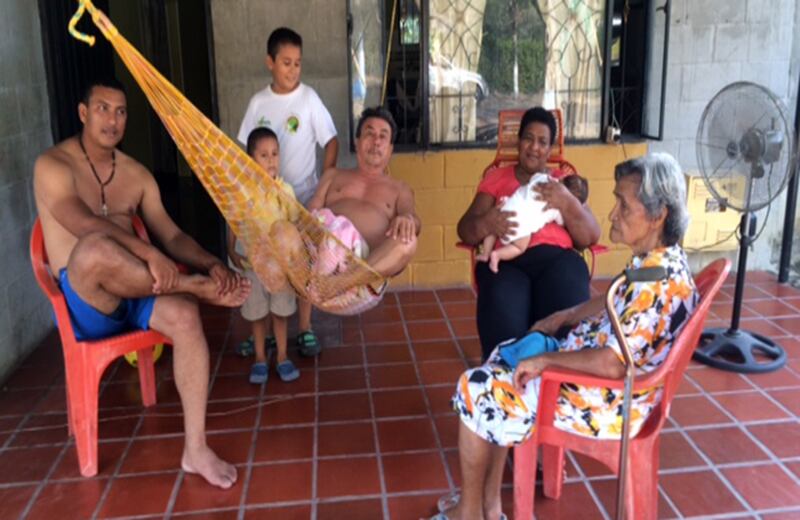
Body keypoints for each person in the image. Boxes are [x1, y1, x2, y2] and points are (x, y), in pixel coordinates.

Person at [434, 152, 697, 520]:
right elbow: (615, 300)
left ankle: (469, 513)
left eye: (623, 205)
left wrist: (545, 361)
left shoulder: (656, 286)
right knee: (503, 357)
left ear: (658, 215)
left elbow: (611, 364)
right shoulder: (661, 264)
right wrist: (567, 315)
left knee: (474, 386)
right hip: (615, 383)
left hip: (607, 399)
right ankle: (489, 508)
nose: (612, 214)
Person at [33, 77, 250, 489]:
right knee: (92, 249)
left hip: (139, 294)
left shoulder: (136, 175)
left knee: (186, 319)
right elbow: (83, 223)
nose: (112, 120)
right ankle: (192, 287)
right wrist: (151, 255)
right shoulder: (52, 165)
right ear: (83, 113)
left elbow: (171, 235)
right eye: (102, 109)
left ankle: (196, 449)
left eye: (121, 111)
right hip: (88, 303)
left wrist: (212, 263)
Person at [457, 107, 601, 361]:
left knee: (566, 330)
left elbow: (590, 237)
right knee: (504, 331)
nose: (534, 147)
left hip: (558, 260)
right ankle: (504, 378)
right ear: (519, 141)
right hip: (507, 262)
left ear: (550, 149)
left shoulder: (563, 182)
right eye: (528, 138)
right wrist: (488, 222)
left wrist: (567, 202)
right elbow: (465, 229)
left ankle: (558, 381)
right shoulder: (496, 178)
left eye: (542, 142)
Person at [237, 27, 339, 357]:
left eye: (297, 63)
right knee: (266, 264)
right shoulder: (258, 103)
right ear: (270, 62)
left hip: (302, 198)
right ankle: (265, 333)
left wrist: (322, 187)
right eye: (286, 63)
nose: (293, 70)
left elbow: (331, 141)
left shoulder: (308, 99)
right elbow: (243, 150)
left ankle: (305, 328)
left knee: (303, 263)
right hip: (265, 206)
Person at [304, 106, 419, 300]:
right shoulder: (332, 176)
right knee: (282, 229)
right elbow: (311, 213)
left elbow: (414, 220)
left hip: (368, 270)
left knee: (408, 242)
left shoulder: (400, 189)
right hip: (323, 258)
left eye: (383, 136)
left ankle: (342, 283)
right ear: (357, 143)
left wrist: (408, 219)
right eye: (369, 133)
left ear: (390, 149)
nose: (376, 141)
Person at [226, 127, 299, 385]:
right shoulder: (242, 193)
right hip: (252, 265)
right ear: (250, 160)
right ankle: (259, 358)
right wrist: (231, 250)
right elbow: (233, 223)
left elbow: (294, 226)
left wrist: (294, 261)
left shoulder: (285, 191)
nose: (271, 161)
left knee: (280, 312)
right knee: (257, 313)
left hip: (280, 267)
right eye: (264, 155)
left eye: (275, 154)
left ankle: (282, 356)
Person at [475, 173, 589, 273]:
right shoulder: (557, 207)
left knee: (494, 228)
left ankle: (486, 253)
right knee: (520, 247)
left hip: (508, 204)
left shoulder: (543, 177)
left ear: (562, 178)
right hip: (520, 223)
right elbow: (562, 223)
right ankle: (497, 255)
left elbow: (534, 177)